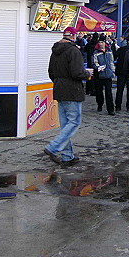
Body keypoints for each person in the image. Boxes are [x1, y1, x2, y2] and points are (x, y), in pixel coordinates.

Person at [44, 27, 92, 166]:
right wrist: (87, 74)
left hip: (59, 88)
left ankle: (67, 156)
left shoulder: (55, 51)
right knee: (74, 122)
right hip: (72, 90)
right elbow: (77, 73)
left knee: (65, 124)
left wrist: (59, 82)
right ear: (74, 36)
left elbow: (50, 72)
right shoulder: (74, 51)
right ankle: (53, 147)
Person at [92, 40, 116, 115]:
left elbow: (111, 61)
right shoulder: (96, 52)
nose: (101, 44)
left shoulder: (109, 51)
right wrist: (98, 67)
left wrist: (113, 71)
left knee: (108, 92)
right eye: (99, 42)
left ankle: (111, 109)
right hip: (99, 75)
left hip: (108, 74)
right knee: (99, 92)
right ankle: (100, 104)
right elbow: (94, 62)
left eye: (102, 42)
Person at [114, 37, 129, 112]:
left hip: (121, 71)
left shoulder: (122, 49)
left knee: (119, 89)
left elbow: (115, 55)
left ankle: (118, 106)